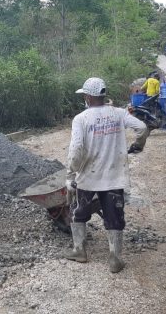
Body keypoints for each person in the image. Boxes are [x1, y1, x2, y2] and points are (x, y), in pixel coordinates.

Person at [64, 77, 147, 273]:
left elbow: (76, 149)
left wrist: (70, 173)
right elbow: (142, 127)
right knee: (114, 217)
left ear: (87, 97)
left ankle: (79, 251)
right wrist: (138, 145)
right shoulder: (118, 114)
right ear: (103, 95)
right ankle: (115, 259)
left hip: (88, 178)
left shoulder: (81, 118)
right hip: (114, 177)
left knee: (79, 213)